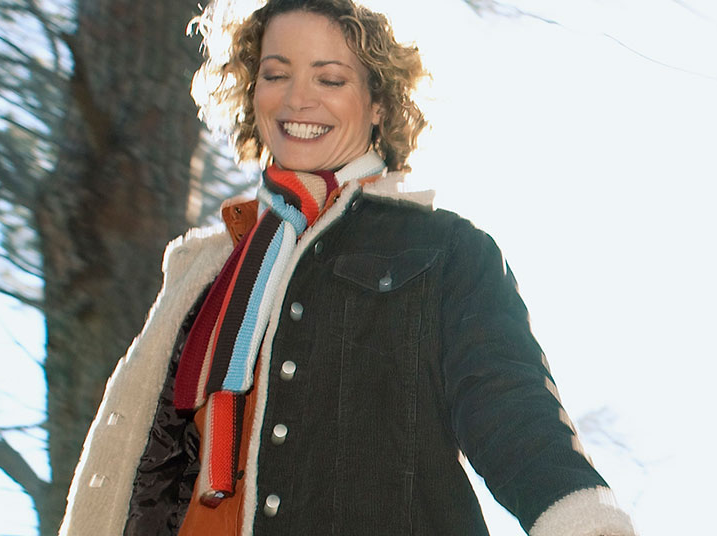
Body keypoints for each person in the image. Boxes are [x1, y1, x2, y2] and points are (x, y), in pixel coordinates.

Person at [57, 1, 635, 534]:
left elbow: (515, 416)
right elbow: (148, 462)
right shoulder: (203, 268)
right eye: (276, 73)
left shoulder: (446, 249)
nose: (296, 100)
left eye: (329, 79)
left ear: (380, 103)